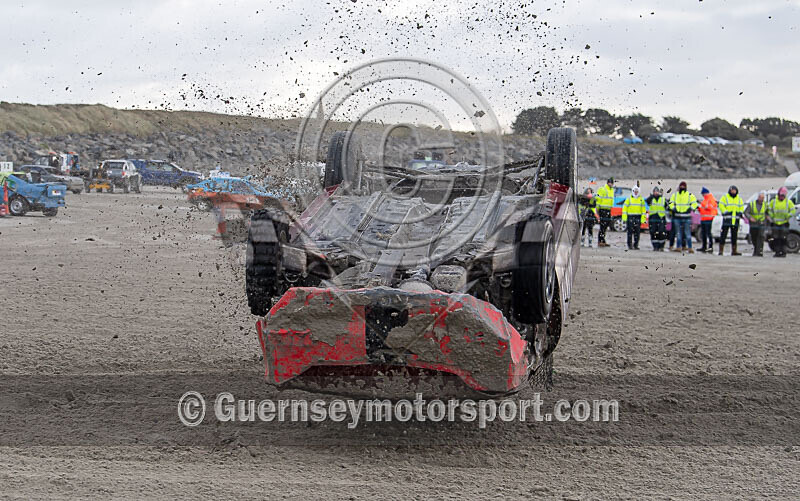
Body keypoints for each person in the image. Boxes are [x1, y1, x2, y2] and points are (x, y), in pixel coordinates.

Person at [668, 181, 698, 253]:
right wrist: (673, 208)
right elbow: (670, 203)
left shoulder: (689, 195)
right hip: (677, 217)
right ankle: (678, 247)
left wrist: (691, 208)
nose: (682, 188)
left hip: (686, 217)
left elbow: (694, 203)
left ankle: (690, 248)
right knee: (678, 234)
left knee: (687, 233)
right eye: (681, 186)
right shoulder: (675, 195)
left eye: (683, 186)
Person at [767, 186, 797, 257]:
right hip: (775, 223)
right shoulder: (773, 202)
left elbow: (793, 210)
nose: (782, 197)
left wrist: (788, 215)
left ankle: (783, 252)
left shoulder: (788, 202)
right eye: (781, 195)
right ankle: (777, 252)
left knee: (783, 238)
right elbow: (769, 210)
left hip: (784, 223)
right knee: (776, 238)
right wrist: (772, 216)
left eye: (783, 195)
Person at [718, 185, 745, 256]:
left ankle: (734, 250)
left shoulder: (739, 199)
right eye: (732, 190)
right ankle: (721, 250)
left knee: (734, 236)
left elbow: (742, 207)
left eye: (734, 190)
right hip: (727, 220)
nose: (733, 192)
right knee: (723, 235)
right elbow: (721, 205)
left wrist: (740, 212)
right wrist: (725, 211)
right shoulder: (725, 197)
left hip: (735, 221)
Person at [622, 186, 646, 250]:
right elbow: (624, 209)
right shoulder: (628, 199)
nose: (635, 193)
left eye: (637, 191)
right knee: (630, 232)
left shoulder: (641, 199)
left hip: (638, 217)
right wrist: (624, 218)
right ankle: (629, 245)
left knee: (637, 232)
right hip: (630, 216)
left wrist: (643, 219)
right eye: (634, 191)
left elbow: (643, 210)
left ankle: (636, 245)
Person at [744, 191, 768, 257]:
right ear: (758, 197)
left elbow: (767, 212)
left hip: (761, 223)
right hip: (753, 224)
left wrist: (768, 218)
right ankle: (756, 250)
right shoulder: (752, 204)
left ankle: (759, 252)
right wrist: (750, 217)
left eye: (763, 198)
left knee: (761, 237)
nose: (762, 199)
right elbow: (746, 212)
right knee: (754, 237)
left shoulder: (765, 205)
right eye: (761, 197)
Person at [645, 186, 667, 251]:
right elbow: (647, 201)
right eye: (655, 191)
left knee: (661, 233)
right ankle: (655, 246)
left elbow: (667, 206)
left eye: (657, 191)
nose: (656, 193)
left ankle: (661, 246)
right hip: (653, 219)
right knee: (653, 233)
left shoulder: (663, 199)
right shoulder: (651, 199)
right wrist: (651, 196)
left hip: (661, 218)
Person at [697, 187, 718, 253]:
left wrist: (701, 204)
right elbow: (703, 209)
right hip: (703, 218)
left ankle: (710, 247)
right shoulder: (705, 200)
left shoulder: (711, 199)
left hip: (709, 219)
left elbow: (709, 207)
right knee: (704, 234)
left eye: (703, 194)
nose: (702, 195)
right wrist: (699, 209)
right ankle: (704, 246)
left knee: (708, 233)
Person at [596, 178, 615, 247]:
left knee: (606, 226)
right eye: (610, 183)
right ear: (607, 183)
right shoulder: (602, 189)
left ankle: (603, 240)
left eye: (612, 183)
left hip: (608, 209)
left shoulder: (611, 190)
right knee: (602, 226)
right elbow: (598, 199)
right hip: (602, 209)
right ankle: (600, 241)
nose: (611, 184)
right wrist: (597, 209)